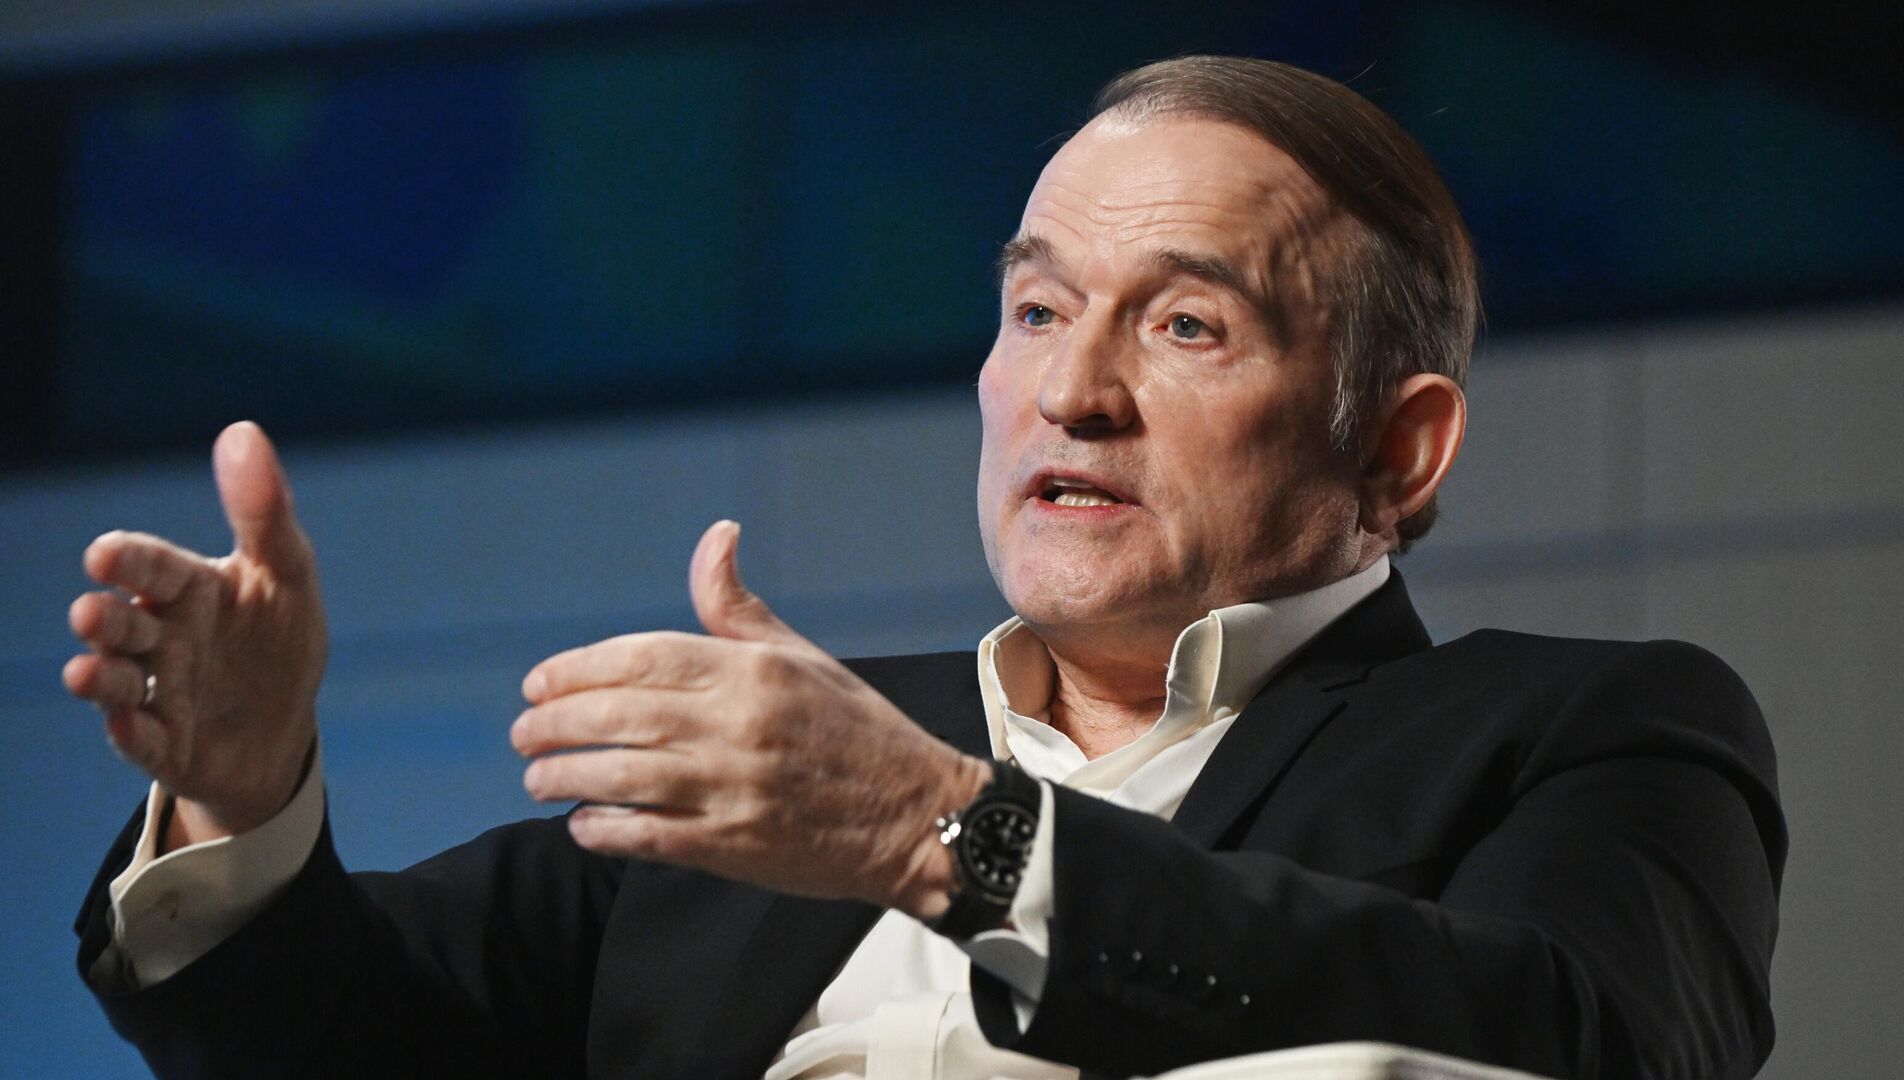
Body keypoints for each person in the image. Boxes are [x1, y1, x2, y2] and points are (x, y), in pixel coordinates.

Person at [67, 56, 1784, 1079]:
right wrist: (240, 794)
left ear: (1397, 451)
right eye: (1037, 309)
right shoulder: (779, 771)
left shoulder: (1580, 732)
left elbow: (1580, 1044)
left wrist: (944, 837)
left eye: (1186, 325)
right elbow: (328, 1040)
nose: (1073, 389)